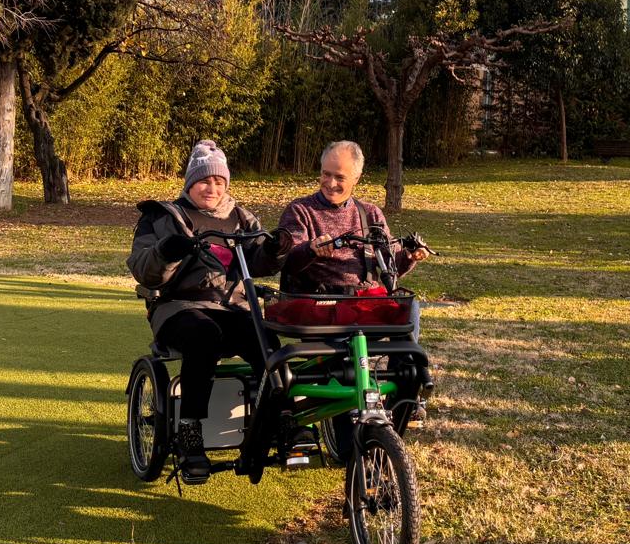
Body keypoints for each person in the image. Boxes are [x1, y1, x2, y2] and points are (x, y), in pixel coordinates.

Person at [128, 139, 276, 484]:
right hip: (177, 306)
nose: (212, 188)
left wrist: (277, 251)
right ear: (190, 182)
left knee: (268, 341)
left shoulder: (242, 218)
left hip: (233, 306)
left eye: (219, 182)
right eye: (204, 181)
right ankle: (190, 431)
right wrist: (167, 251)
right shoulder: (161, 217)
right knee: (204, 335)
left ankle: (278, 419)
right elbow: (142, 268)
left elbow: (260, 261)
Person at [276, 140, 430, 298]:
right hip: (316, 303)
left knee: (409, 310)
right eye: (326, 174)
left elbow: (391, 264)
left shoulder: (370, 214)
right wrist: (309, 249)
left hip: (362, 299)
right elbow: (285, 261)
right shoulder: (300, 211)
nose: (331, 183)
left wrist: (410, 255)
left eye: (340, 177)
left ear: (356, 178)